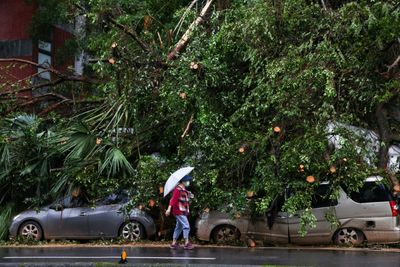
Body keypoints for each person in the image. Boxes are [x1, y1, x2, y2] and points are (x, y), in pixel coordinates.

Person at [165, 175, 194, 250]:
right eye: (187, 181)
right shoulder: (177, 189)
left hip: (183, 211)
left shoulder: (183, 189)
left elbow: (184, 198)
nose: (188, 182)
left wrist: (189, 195)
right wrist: (169, 209)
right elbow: (173, 200)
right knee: (186, 226)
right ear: (183, 181)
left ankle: (174, 243)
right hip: (178, 211)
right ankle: (186, 243)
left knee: (179, 227)